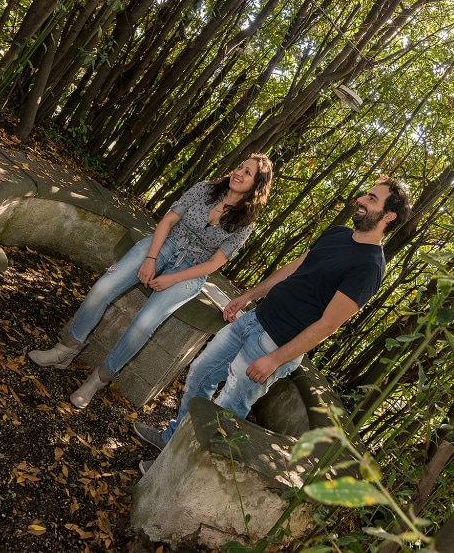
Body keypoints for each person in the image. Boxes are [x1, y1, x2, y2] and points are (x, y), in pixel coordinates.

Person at [132, 176, 410, 467]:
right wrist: (249, 296)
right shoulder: (338, 233)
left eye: (372, 199)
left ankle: (174, 468)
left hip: (273, 345)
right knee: (200, 373)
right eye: (366, 194)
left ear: (388, 216)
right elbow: (295, 268)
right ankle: (171, 441)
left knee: (226, 412)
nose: (362, 200)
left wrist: (275, 360)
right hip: (254, 320)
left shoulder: (369, 266)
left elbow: (330, 324)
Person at [27, 154, 273, 409]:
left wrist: (171, 279)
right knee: (104, 288)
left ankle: (97, 381)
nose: (239, 173)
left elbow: (213, 264)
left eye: (248, 173)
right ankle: (66, 349)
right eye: (240, 167)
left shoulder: (245, 224)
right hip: (165, 244)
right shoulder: (206, 189)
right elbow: (168, 220)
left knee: (144, 324)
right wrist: (151, 258)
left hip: (191, 271)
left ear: (256, 186)